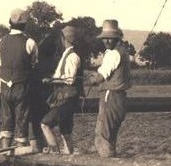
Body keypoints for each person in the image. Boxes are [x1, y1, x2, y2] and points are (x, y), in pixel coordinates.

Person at [86, 19, 131, 158]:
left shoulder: (113, 53)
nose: (106, 41)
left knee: (103, 135)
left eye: (109, 38)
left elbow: (100, 77)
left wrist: (90, 79)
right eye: (104, 38)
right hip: (119, 97)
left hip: (110, 96)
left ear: (116, 38)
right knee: (110, 135)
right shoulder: (122, 52)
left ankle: (107, 165)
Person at [0, 8, 38, 149]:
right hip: (22, 85)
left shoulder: (1, 41)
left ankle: (4, 153)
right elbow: (34, 64)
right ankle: (20, 155)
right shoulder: (30, 42)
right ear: (25, 25)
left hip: (4, 84)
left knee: (6, 118)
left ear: (10, 23)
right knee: (22, 119)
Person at [40, 25, 82, 154]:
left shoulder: (72, 57)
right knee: (65, 131)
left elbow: (69, 80)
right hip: (66, 98)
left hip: (65, 98)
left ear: (64, 39)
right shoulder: (68, 54)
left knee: (45, 124)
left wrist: (50, 80)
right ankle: (69, 156)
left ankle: (55, 153)